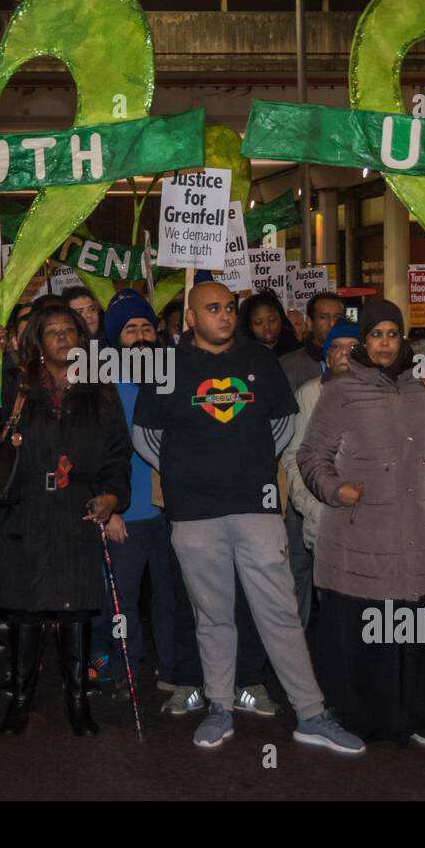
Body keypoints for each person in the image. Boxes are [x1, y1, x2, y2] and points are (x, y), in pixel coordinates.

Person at [132, 280, 364, 754]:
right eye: (212, 308)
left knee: (278, 612)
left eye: (229, 307)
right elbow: (146, 435)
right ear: (191, 317)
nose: (225, 315)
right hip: (193, 513)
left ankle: (311, 713)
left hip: (255, 506)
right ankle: (219, 705)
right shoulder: (166, 365)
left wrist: (251, 465)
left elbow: (282, 424)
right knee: (212, 617)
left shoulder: (258, 359)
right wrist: (186, 472)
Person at [297, 300, 425, 745]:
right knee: (369, 630)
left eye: (393, 335)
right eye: (376, 335)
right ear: (363, 340)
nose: (385, 343)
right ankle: (367, 719)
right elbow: (310, 455)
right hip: (361, 537)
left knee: (422, 625)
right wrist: (336, 489)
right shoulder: (341, 388)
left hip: (422, 532)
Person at [0, 306, 130, 736]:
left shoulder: (100, 389)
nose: (62, 337)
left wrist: (112, 497)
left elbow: (117, 455)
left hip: (77, 509)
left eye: (69, 329)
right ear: (37, 340)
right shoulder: (15, 383)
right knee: (24, 611)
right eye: (52, 331)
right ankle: (19, 701)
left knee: (75, 611)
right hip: (25, 508)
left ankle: (77, 701)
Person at [86, 295, 175, 692]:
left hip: (171, 509)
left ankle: (174, 668)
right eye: (129, 329)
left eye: (146, 328)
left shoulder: (172, 375)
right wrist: (110, 508)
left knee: (170, 599)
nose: (140, 337)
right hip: (128, 511)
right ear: (115, 338)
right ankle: (126, 665)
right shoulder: (103, 384)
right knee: (121, 601)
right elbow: (94, 452)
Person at [283, 323, 360, 553]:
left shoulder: (382, 394)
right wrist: (312, 506)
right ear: (327, 357)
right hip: (325, 523)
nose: (344, 353)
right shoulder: (308, 394)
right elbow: (293, 458)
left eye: (353, 347)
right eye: (336, 347)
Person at [280, 292, 347, 393]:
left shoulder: (357, 362)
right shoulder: (288, 365)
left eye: (338, 318)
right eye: (324, 317)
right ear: (310, 322)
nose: (332, 323)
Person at [239, 290, 302, 358]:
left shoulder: (297, 352)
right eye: (258, 323)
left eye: (272, 320)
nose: (267, 327)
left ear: (281, 319)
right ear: (249, 325)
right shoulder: (242, 356)